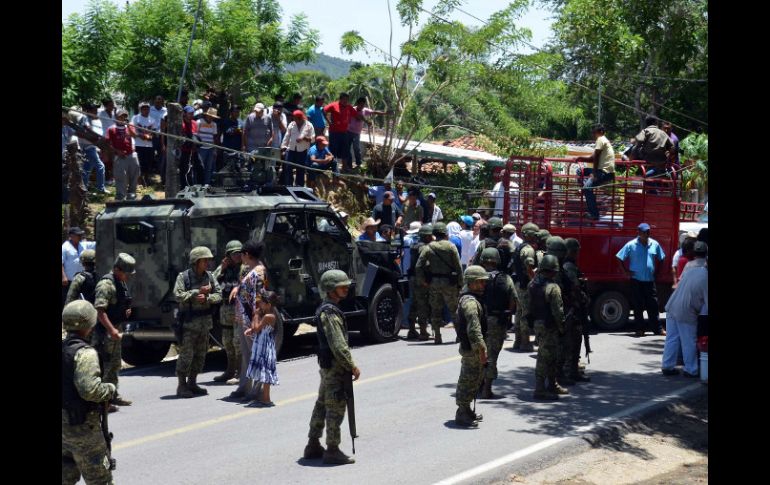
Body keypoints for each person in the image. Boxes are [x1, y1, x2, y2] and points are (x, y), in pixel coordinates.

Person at [304, 269, 361, 465]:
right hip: (335, 367)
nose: (346, 289)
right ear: (330, 290)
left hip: (328, 366)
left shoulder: (328, 309)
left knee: (322, 404)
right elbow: (338, 344)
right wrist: (351, 365)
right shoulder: (329, 312)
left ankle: (313, 444)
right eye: (341, 286)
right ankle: (332, 449)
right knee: (335, 407)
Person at [61, 300, 116, 485]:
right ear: (89, 324)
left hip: (64, 429)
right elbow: (90, 390)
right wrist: (109, 389)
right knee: (100, 480)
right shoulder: (85, 353)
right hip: (83, 429)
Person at [173, 246, 222, 398]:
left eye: (208, 260)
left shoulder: (210, 276)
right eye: (204, 260)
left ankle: (193, 383)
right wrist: (196, 293)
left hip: (205, 324)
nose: (208, 263)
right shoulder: (184, 277)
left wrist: (208, 298)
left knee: (200, 355)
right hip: (189, 324)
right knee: (186, 355)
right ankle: (182, 386)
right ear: (196, 261)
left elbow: (219, 295)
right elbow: (177, 295)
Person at [93, 253, 136, 412]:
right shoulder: (106, 285)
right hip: (105, 332)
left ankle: (113, 394)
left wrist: (127, 309)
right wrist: (111, 330)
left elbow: (122, 301)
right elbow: (100, 311)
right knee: (105, 365)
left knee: (115, 364)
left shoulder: (120, 282)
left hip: (115, 329)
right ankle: (102, 402)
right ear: (117, 269)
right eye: (126, 273)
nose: (128, 277)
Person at [662, 242, 707, 378]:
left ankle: (667, 366)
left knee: (672, 338)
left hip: (672, 305)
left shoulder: (689, 266)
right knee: (688, 340)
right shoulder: (705, 274)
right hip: (686, 310)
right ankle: (691, 369)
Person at [453, 265, 489, 427]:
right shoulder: (471, 303)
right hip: (472, 349)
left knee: (475, 379)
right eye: (480, 282)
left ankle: (466, 410)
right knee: (468, 379)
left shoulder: (471, 299)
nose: (483, 285)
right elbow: (474, 329)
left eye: (483, 282)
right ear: (471, 283)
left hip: (472, 348)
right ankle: (462, 412)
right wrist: (481, 350)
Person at [416, 222, 463, 344]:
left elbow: (418, 266)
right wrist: (460, 283)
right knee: (454, 310)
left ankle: (437, 336)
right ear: (446, 234)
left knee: (435, 310)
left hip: (434, 283)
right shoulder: (451, 247)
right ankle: (459, 335)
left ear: (434, 234)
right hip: (449, 283)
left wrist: (423, 281)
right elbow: (458, 267)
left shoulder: (429, 247)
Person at [616, 222, 667, 337]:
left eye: (648, 231)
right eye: (644, 232)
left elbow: (661, 258)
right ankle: (640, 329)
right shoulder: (631, 245)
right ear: (638, 233)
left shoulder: (654, 244)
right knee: (638, 306)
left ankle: (658, 329)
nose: (647, 234)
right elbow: (619, 257)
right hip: (636, 281)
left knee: (653, 306)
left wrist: (657, 272)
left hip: (649, 281)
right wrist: (625, 272)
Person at [233, 241, 268, 401]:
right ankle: (245, 386)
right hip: (244, 318)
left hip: (251, 319)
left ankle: (257, 389)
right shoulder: (251, 270)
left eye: (242, 254)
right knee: (247, 355)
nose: (240, 257)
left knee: (255, 354)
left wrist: (256, 318)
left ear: (247, 254)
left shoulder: (259, 272)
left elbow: (259, 296)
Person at [478, 248, 516, 399]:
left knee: (478, 353)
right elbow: (514, 298)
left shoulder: (476, 277)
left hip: (479, 319)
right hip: (497, 321)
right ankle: (487, 389)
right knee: (492, 354)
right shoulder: (505, 278)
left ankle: (478, 385)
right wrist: (507, 314)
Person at [530, 255, 567, 400]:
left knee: (551, 355)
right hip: (549, 325)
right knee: (545, 356)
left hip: (538, 324)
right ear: (553, 271)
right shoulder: (553, 288)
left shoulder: (532, 284)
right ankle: (540, 388)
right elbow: (558, 311)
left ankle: (552, 384)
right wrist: (562, 326)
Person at [211, 240, 244, 383]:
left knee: (238, 341)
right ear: (228, 255)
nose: (237, 256)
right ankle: (230, 370)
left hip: (239, 308)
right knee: (227, 341)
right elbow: (211, 282)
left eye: (239, 253)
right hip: (225, 308)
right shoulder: (223, 269)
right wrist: (221, 268)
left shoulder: (245, 268)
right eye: (234, 254)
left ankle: (240, 372)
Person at [562, 238, 592, 382]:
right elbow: (574, 288)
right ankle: (568, 371)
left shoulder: (570, 265)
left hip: (575, 309)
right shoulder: (568, 266)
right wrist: (582, 299)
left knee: (577, 340)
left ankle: (573, 371)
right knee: (570, 343)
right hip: (572, 309)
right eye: (575, 251)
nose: (577, 254)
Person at [246, 290, 281, 406]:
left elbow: (256, 328)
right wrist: (252, 327)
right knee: (263, 371)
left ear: (269, 304)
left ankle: (266, 399)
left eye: (261, 303)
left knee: (266, 373)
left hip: (266, 347)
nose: (259, 304)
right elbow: (255, 328)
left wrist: (255, 315)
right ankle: (264, 397)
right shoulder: (264, 315)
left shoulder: (268, 316)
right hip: (261, 345)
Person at [511, 222, 539, 351]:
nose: (536, 237)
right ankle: (525, 342)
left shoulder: (519, 247)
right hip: (524, 286)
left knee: (518, 313)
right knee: (525, 314)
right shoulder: (528, 249)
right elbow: (529, 268)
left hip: (518, 284)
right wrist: (535, 281)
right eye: (534, 235)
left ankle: (517, 341)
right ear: (528, 235)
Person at [580, 124, 616, 220]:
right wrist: (579, 158)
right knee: (580, 170)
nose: (593, 134)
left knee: (587, 189)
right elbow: (592, 158)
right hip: (606, 172)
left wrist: (594, 173)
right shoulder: (604, 141)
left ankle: (594, 214)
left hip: (604, 172)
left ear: (600, 132)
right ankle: (584, 188)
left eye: (594, 132)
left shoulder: (600, 139)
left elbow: (595, 158)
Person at [406, 223, 433, 340]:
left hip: (413, 277)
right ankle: (423, 331)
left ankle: (411, 329)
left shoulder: (414, 245)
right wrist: (424, 280)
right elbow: (424, 265)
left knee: (415, 303)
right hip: (421, 279)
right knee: (423, 305)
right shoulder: (424, 248)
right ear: (427, 236)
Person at [106, 109, 140, 200]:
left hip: (131, 154)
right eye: (120, 116)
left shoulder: (130, 126)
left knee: (135, 174)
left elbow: (134, 135)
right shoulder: (111, 129)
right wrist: (117, 151)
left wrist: (128, 126)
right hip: (119, 156)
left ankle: (132, 194)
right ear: (116, 117)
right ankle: (121, 196)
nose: (122, 118)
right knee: (120, 176)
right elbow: (108, 144)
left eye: (124, 116)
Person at [347, 97, 387, 168]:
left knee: (356, 148)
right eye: (361, 105)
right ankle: (349, 164)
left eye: (363, 105)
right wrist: (366, 122)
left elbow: (374, 112)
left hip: (357, 133)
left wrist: (385, 113)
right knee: (347, 148)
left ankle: (358, 163)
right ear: (357, 104)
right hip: (349, 131)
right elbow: (359, 117)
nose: (362, 107)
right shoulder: (352, 109)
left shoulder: (364, 110)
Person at [77, 102, 108, 194]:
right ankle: (100, 189)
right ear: (88, 110)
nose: (96, 111)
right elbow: (87, 129)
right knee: (100, 166)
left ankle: (84, 189)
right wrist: (100, 136)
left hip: (89, 146)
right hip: (87, 147)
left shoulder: (88, 118)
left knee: (86, 170)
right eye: (94, 110)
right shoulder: (84, 118)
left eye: (96, 110)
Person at [62, 227, 97, 309]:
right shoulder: (65, 247)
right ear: (71, 236)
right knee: (69, 300)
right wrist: (63, 277)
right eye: (78, 235)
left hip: (83, 278)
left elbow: (97, 244)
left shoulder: (84, 244)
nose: (80, 236)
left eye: (81, 234)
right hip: (69, 280)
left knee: (83, 300)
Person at [324, 92, 359, 172]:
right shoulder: (333, 105)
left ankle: (344, 167)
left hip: (344, 132)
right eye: (344, 99)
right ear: (340, 99)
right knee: (333, 149)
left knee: (345, 150)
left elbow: (356, 114)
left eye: (347, 99)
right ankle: (331, 167)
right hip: (334, 132)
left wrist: (366, 121)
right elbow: (324, 110)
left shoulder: (349, 107)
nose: (345, 101)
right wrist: (329, 122)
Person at [280, 110, 315, 186]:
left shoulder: (309, 125)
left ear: (301, 118)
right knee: (288, 168)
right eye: (294, 118)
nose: (295, 120)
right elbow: (286, 136)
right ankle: (288, 186)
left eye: (297, 118)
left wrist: (304, 138)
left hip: (303, 151)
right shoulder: (291, 125)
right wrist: (283, 148)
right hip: (291, 149)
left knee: (300, 170)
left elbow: (313, 139)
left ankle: (299, 187)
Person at [132, 102, 159, 182]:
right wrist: (140, 135)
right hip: (138, 144)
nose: (145, 110)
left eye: (147, 108)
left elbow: (154, 132)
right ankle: (139, 180)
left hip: (149, 145)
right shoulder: (135, 118)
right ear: (140, 109)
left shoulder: (152, 120)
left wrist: (150, 137)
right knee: (139, 163)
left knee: (148, 163)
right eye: (143, 108)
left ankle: (147, 179)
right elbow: (132, 129)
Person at [195, 107, 221, 185]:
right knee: (200, 167)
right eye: (210, 116)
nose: (211, 118)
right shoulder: (199, 122)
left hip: (210, 148)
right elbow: (195, 135)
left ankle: (206, 184)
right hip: (201, 148)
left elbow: (215, 137)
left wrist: (215, 150)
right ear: (206, 115)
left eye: (213, 117)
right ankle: (198, 184)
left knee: (209, 168)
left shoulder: (214, 124)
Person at [179, 105, 199, 188]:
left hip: (193, 150)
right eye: (189, 113)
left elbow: (196, 136)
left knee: (198, 167)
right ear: (185, 113)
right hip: (183, 150)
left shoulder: (194, 123)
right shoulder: (181, 123)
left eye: (192, 113)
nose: (191, 115)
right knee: (184, 169)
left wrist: (195, 145)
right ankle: (184, 187)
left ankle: (193, 185)